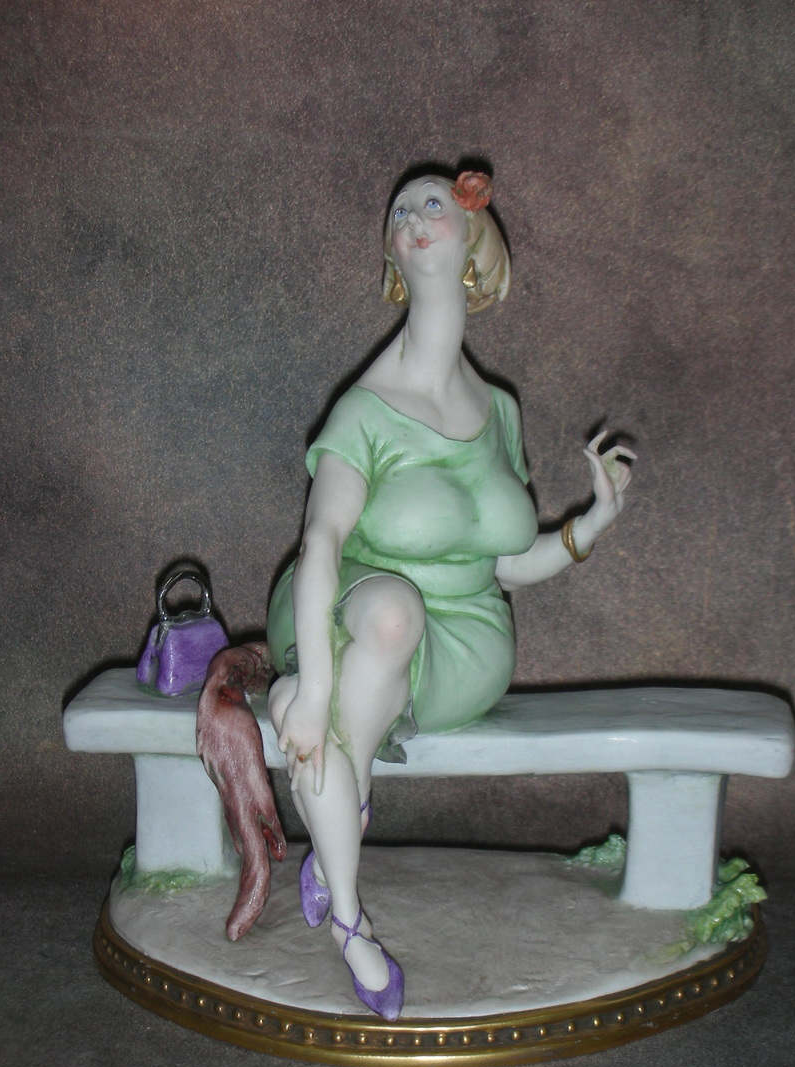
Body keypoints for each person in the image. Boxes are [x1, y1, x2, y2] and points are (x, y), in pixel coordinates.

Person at [265, 170, 634, 1021]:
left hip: (464, 656)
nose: (414, 218)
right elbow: (320, 545)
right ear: (394, 256)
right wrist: (313, 688)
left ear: (475, 239)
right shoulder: (364, 410)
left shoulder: (500, 411)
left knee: (392, 650)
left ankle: (338, 808)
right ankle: (350, 920)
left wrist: (591, 524)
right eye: (400, 212)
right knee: (390, 618)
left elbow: (503, 564)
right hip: (345, 611)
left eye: (434, 203)